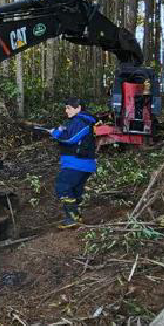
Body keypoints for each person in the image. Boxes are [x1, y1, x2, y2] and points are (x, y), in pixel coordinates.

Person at [47, 98, 98, 229]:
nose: (66, 110)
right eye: (66, 108)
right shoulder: (75, 121)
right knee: (75, 190)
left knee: (62, 186)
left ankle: (73, 218)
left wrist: (56, 133)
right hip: (80, 163)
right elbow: (65, 130)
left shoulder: (81, 121)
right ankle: (76, 217)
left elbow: (69, 138)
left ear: (78, 108)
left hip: (78, 163)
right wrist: (56, 130)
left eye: (69, 107)